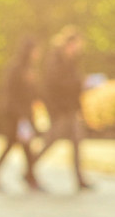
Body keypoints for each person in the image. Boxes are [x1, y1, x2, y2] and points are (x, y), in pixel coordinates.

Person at [35, 27, 93, 191]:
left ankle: (79, 179)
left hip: (70, 110)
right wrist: (79, 83)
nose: (79, 49)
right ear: (69, 44)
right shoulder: (55, 60)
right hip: (60, 110)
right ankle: (29, 168)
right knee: (50, 141)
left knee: (76, 142)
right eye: (77, 45)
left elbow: (73, 87)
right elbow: (53, 86)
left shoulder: (71, 61)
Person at [0, 38, 43, 191]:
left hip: (23, 115)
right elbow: (12, 94)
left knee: (23, 147)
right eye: (36, 50)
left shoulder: (28, 68)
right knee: (16, 146)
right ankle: (29, 178)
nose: (38, 54)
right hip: (16, 116)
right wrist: (20, 116)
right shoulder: (17, 69)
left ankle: (29, 177)